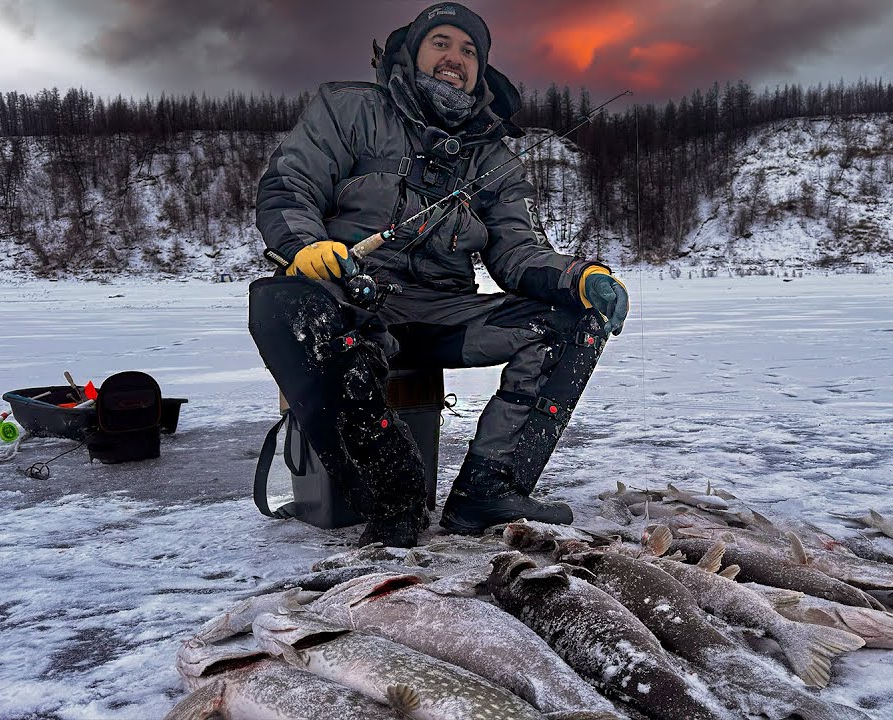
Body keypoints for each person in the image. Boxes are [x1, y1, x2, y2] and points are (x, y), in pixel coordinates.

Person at [252, 2, 628, 548]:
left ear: (481, 69)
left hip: (440, 315)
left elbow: (518, 252)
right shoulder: (349, 109)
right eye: (442, 43)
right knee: (284, 302)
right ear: (413, 53)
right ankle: (394, 498)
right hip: (351, 301)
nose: (456, 58)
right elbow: (289, 186)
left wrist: (579, 277)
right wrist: (306, 248)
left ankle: (488, 489)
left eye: (469, 51)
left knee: (571, 321)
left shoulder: (495, 159)